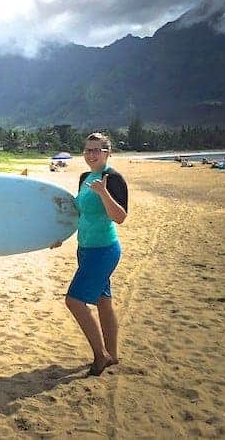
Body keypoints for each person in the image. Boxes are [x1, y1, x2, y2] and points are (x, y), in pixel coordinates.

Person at [53, 132, 128, 377]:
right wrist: (57, 236)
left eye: (97, 150)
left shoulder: (113, 178)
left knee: (74, 300)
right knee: (103, 301)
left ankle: (101, 355)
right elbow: (79, 214)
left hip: (104, 250)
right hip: (85, 248)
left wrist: (104, 193)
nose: (92, 154)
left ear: (108, 153)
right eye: (88, 150)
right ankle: (113, 354)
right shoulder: (85, 177)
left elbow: (120, 217)